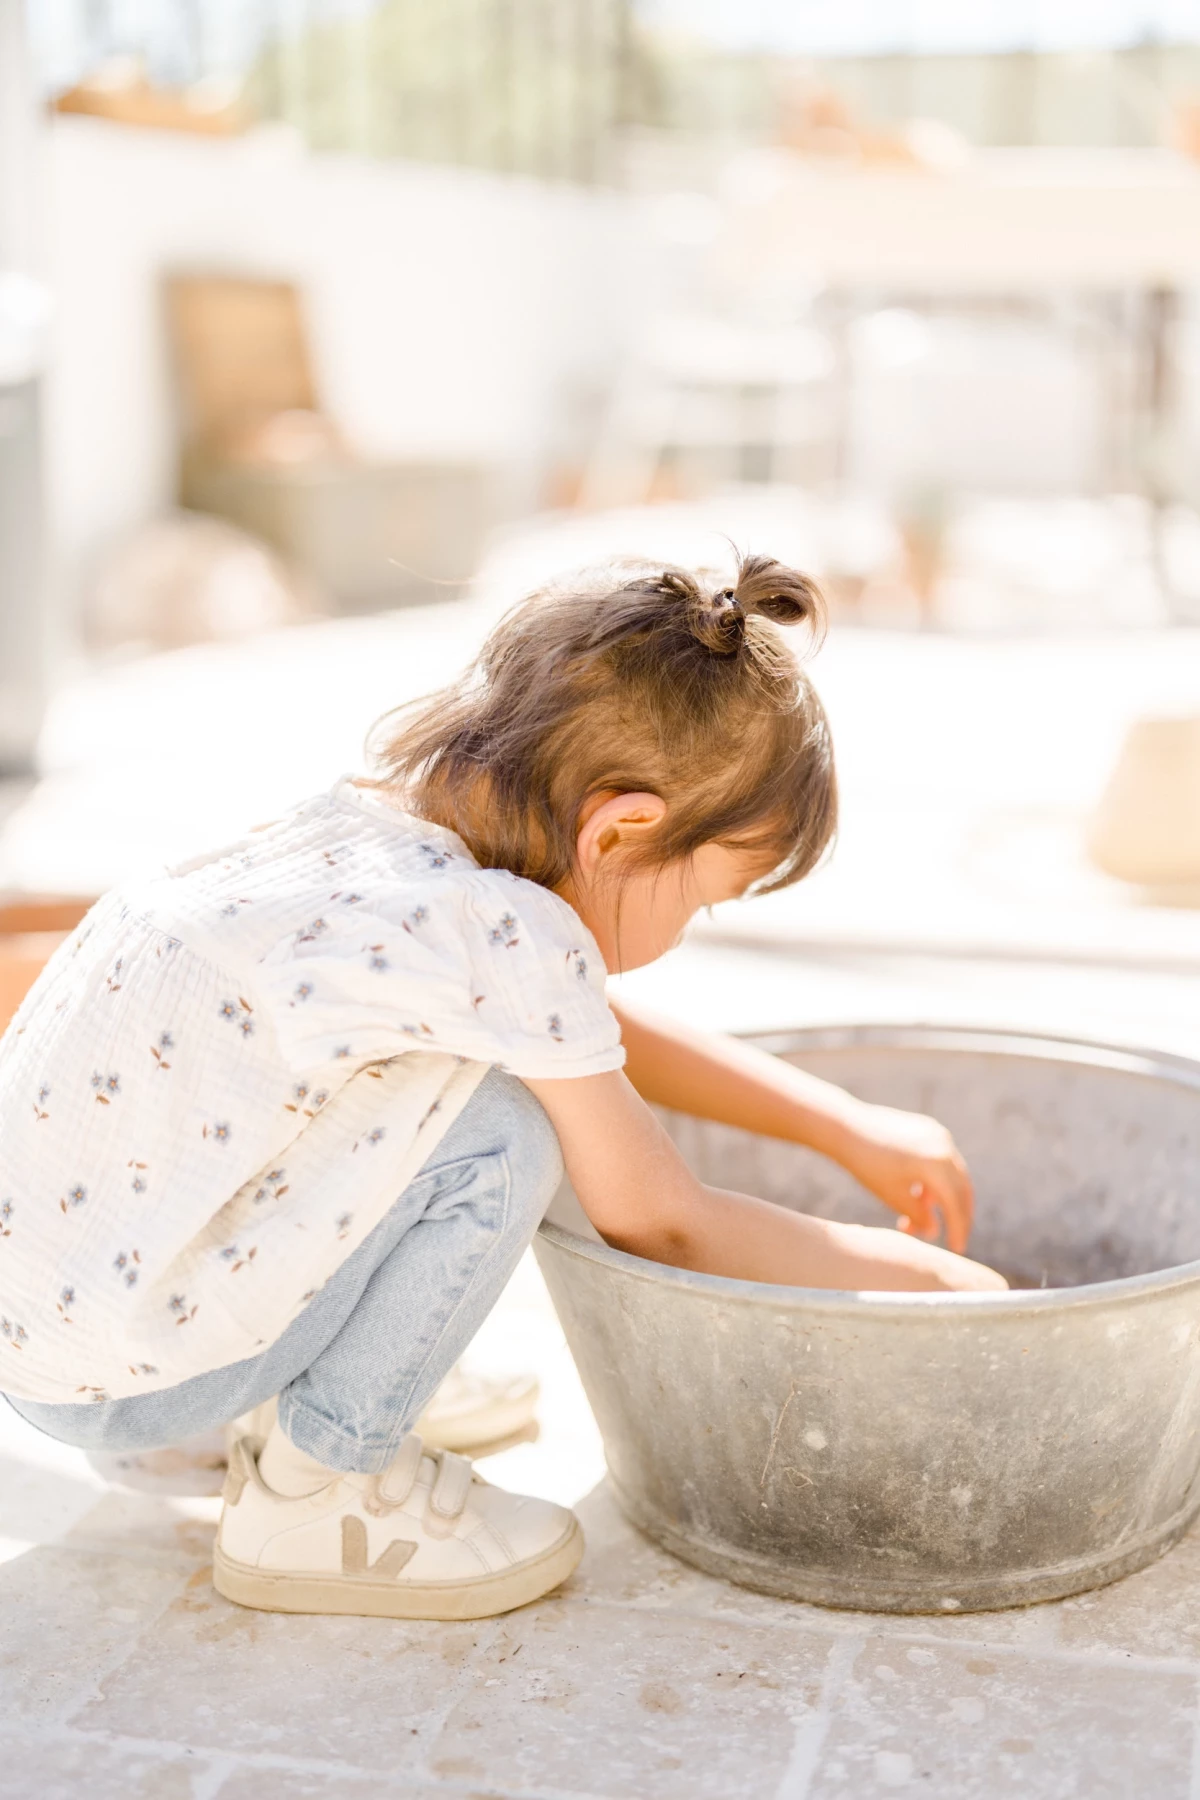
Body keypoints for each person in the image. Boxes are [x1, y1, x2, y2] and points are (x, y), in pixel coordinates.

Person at [0, 554, 1005, 1623]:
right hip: (143, 1374)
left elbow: (573, 1023)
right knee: (509, 1127)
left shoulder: (366, 839)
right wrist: (927, 1287)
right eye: (706, 898)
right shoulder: (498, 932)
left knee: (493, 1077)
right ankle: (325, 1486)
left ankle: (310, 1396)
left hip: (58, 1340)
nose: (692, 927)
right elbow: (661, 1223)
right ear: (621, 830)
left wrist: (836, 1121)